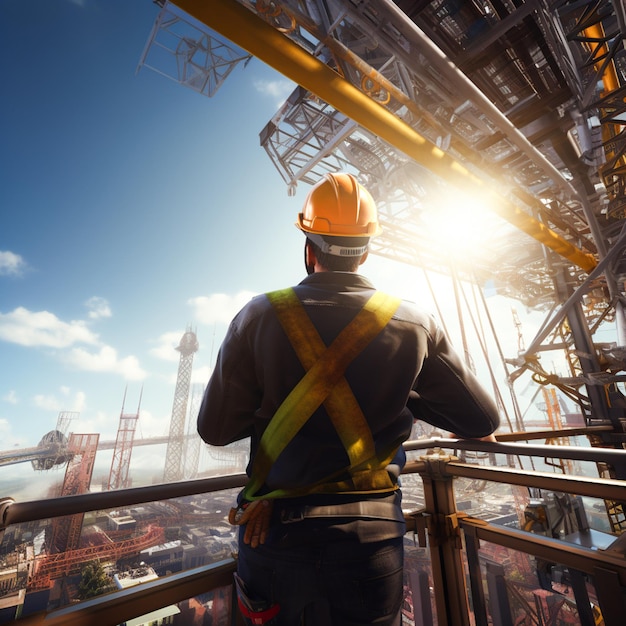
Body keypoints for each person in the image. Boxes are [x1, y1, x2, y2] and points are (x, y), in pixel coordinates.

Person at [197, 172, 500, 626]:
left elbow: (215, 430)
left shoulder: (258, 315)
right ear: (366, 250)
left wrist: (272, 404)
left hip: (276, 535)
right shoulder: (414, 322)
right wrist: (405, 395)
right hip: (371, 542)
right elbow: (480, 419)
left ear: (308, 247)